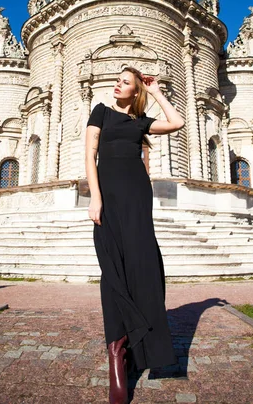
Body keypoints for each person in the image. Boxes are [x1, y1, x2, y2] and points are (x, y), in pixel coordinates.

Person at [85, 66, 185, 404]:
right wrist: (95, 198)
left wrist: (155, 91)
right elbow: (90, 154)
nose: (118, 85)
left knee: (142, 269)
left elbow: (177, 123)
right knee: (112, 270)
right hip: (109, 198)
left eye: (125, 82)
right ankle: (116, 349)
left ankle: (136, 347)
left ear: (135, 91)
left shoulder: (140, 123)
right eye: (118, 80)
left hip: (138, 199)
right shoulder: (100, 112)